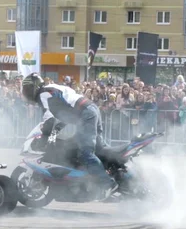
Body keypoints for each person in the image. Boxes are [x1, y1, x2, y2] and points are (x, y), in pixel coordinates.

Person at [21, 72, 117, 201]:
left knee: (85, 153)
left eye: (27, 89)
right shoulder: (53, 90)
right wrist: (52, 139)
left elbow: (49, 120)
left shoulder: (43, 94)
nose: (26, 92)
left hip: (86, 114)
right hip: (91, 111)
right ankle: (114, 171)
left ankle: (107, 184)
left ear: (35, 87)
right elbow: (60, 121)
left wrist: (44, 137)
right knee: (98, 149)